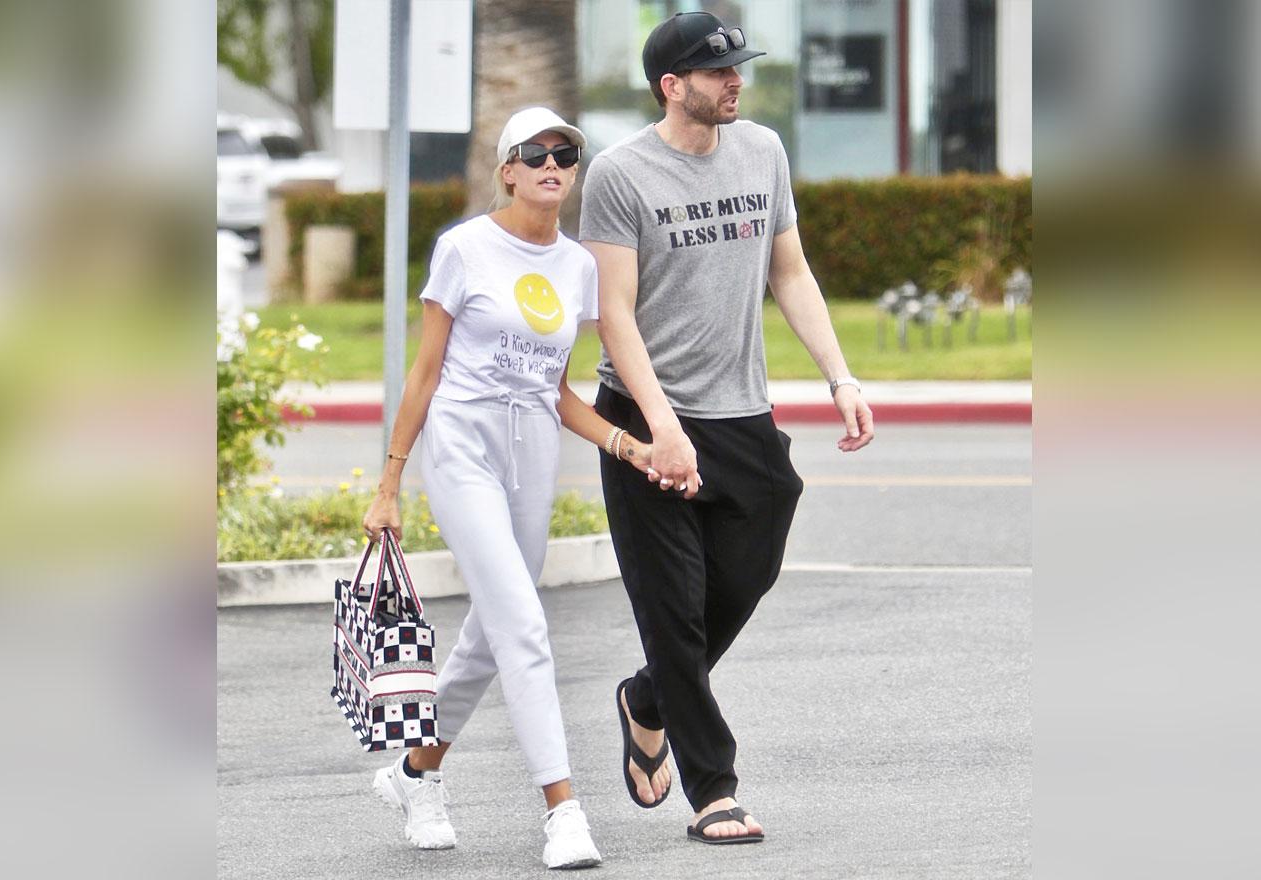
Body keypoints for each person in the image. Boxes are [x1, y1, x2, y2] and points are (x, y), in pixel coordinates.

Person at [578, 12, 876, 845]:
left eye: (738, 67)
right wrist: (662, 430)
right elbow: (615, 315)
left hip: (742, 413)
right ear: (672, 87)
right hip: (645, 415)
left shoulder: (763, 152)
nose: (735, 81)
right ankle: (714, 789)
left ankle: (648, 697)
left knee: (747, 571)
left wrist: (840, 376)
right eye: (718, 74)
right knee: (673, 609)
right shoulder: (621, 173)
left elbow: (790, 269)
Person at [361, 106, 653, 869]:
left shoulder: (578, 266)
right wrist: (389, 481)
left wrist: (626, 443)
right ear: (508, 170)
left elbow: (556, 390)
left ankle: (416, 772)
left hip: (532, 453)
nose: (554, 164)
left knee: (492, 635)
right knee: (523, 626)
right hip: (462, 445)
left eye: (567, 154)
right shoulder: (464, 249)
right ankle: (564, 812)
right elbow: (425, 373)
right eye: (536, 153)